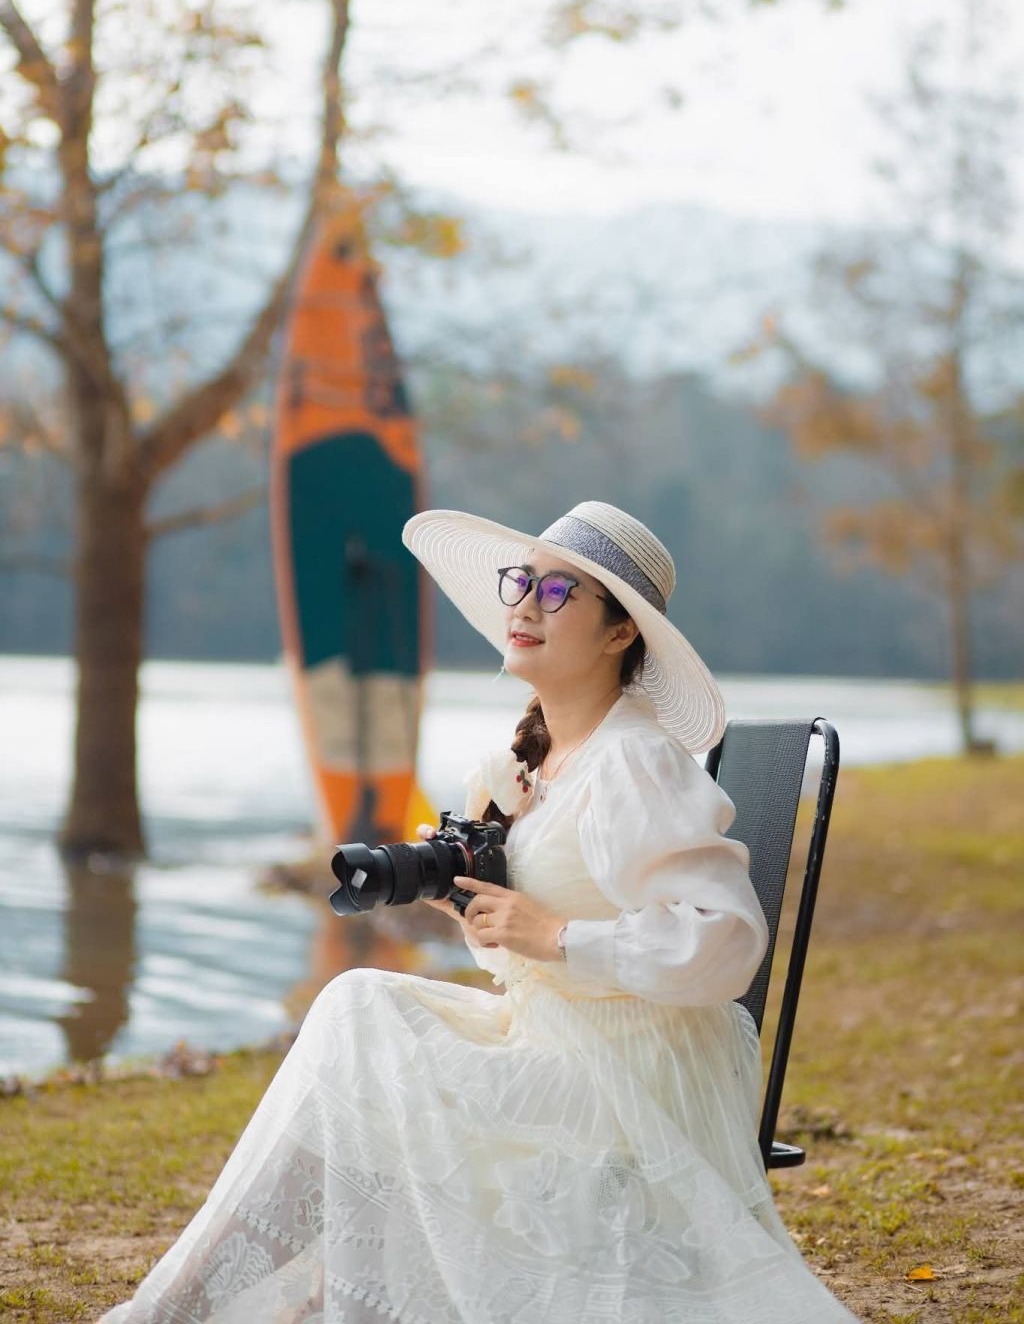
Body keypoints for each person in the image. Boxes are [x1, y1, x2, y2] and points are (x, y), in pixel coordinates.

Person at [99, 500, 860, 1322]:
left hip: (632, 1075)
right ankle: (245, 1301)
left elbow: (730, 944)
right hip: (556, 1041)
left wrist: (558, 935)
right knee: (364, 1010)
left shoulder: (636, 763)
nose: (526, 605)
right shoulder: (533, 759)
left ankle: (195, 1309)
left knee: (364, 1021)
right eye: (523, 582)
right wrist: (491, 924)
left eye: (560, 592)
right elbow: (524, 959)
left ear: (618, 635)